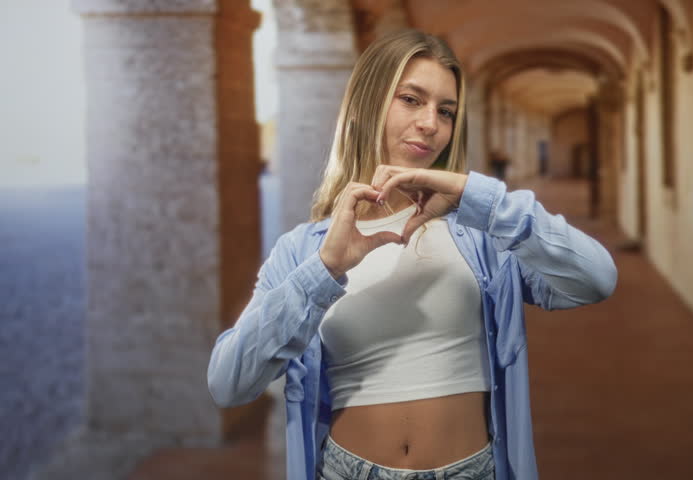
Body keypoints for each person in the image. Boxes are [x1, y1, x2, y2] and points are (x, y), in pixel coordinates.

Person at [207, 29, 618, 480]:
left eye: (446, 111)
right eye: (411, 99)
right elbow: (229, 383)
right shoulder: (307, 249)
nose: (431, 123)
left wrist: (474, 195)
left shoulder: (483, 237)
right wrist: (325, 271)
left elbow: (595, 278)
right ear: (367, 105)